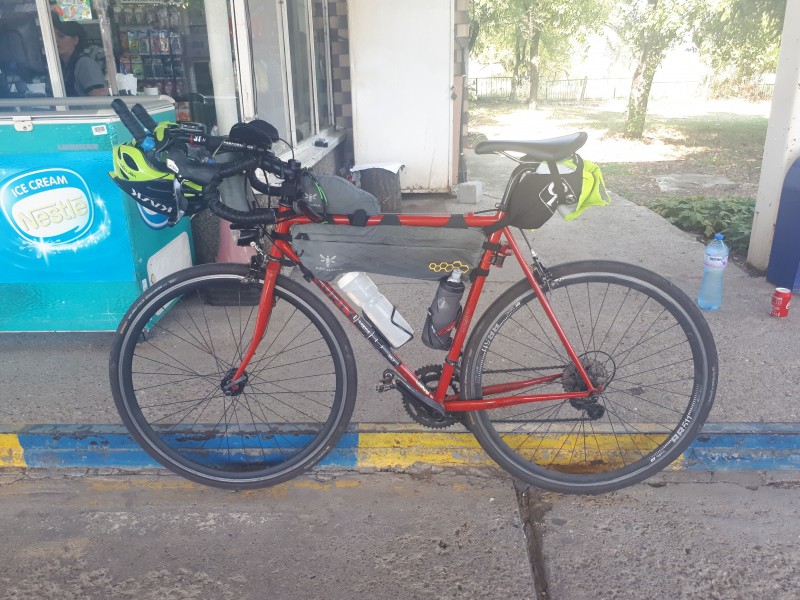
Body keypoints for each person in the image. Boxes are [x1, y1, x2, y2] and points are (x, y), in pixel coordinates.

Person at [52, 16, 108, 97]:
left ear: (75, 40)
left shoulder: (85, 64)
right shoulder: (64, 66)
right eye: (52, 37)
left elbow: (99, 100)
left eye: (61, 36)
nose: (55, 40)